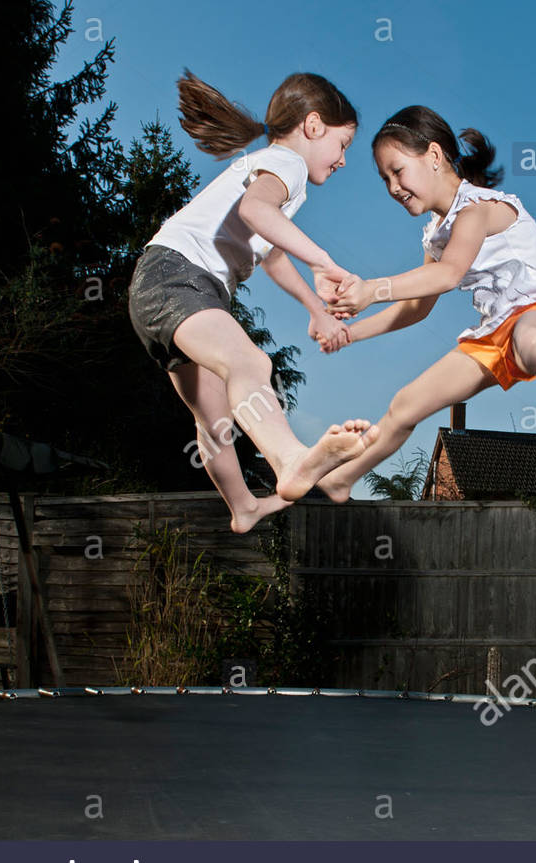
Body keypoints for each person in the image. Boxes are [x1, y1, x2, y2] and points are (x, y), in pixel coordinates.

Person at [317, 105, 536, 503]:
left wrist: (372, 289)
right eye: (384, 178)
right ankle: (341, 480)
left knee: (530, 337)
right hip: (494, 333)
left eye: (398, 171)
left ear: (434, 156)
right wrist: (350, 332)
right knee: (405, 404)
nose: (392, 187)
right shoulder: (435, 235)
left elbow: (450, 273)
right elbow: (415, 308)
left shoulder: (477, 208)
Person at [129, 71, 379, 531]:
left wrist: (315, 306)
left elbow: (271, 251)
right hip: (178, 277)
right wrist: (324, 261)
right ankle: (289, 462)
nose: (343, 161)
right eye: (343, 146)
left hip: (162, 287)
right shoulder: (288, 164)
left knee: (214, 419)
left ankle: (243, 506)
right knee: (250, 365)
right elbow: (255, 212)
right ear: (314, 125)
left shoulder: (267, 167)